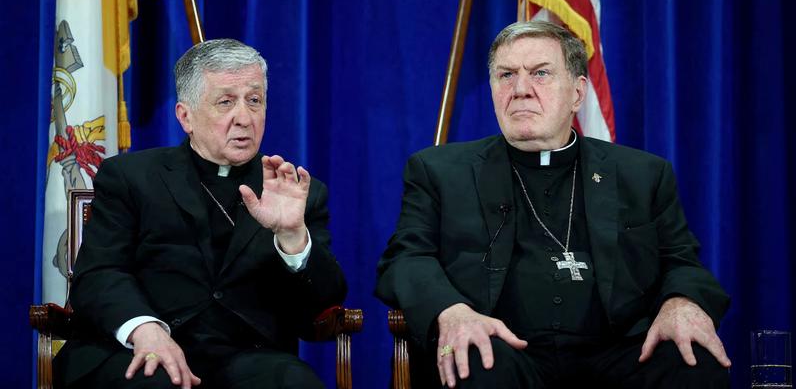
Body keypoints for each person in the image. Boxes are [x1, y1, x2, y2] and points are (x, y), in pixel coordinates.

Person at [375, 21, 730, 388]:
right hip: (502, 351)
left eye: (540, 73)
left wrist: (681, 303)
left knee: (694, 361)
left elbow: (681, 262)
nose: (521, 90)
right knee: (473, 361)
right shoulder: (438, 171)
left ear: (577, 93)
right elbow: (405, 259)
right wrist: (452, 312)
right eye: (506, 75)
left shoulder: (643, 175)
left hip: (617, 354)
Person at [54, 39, 347, 389]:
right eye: (226, 102)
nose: (244, 118)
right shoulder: (130, 177)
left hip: (247, 358)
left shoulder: (294, 192)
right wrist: (144, 328)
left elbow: (321, 307)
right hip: (137, 348)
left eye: (254, 100)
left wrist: (293, 237)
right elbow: (99, 273)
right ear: (185, 116)